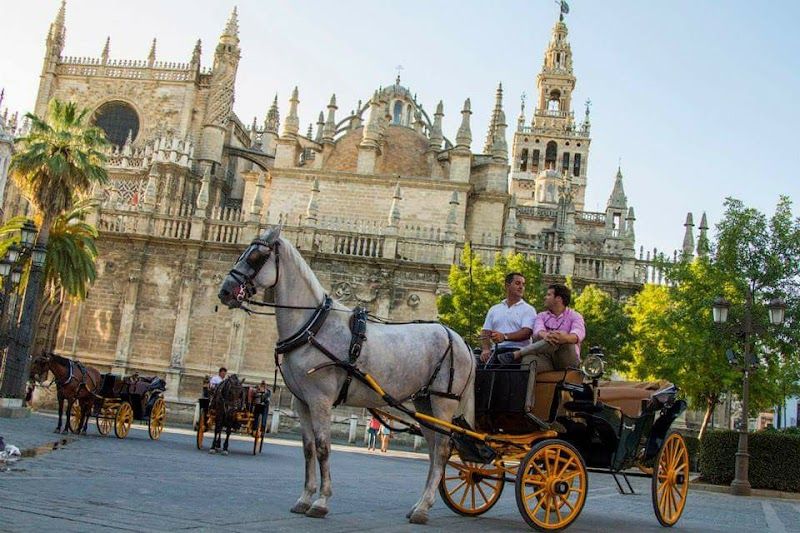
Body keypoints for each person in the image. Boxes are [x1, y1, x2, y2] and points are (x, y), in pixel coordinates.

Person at [510, 284, 585, 372]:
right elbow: (537, 332)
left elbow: (578, 335)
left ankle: (518, 353)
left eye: (549, 295)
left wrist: (563, 337)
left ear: (559, 299)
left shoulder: (575, 316)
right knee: (528, 361)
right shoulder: (541, 316)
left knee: (562, 338)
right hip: (546, 358)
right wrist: (546, 335)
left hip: (567, 359)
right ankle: (523, 386)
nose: (545, 297)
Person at [480, 272, 536, 366]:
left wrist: (505, 337)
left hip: (518, 352)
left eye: (523, 284)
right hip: (495, 351)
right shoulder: (494, 309)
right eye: (517, 283)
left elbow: (527, 332)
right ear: (507, 286)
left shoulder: (528, 309)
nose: (521, 287)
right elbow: (485, 332)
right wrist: (485, 349)